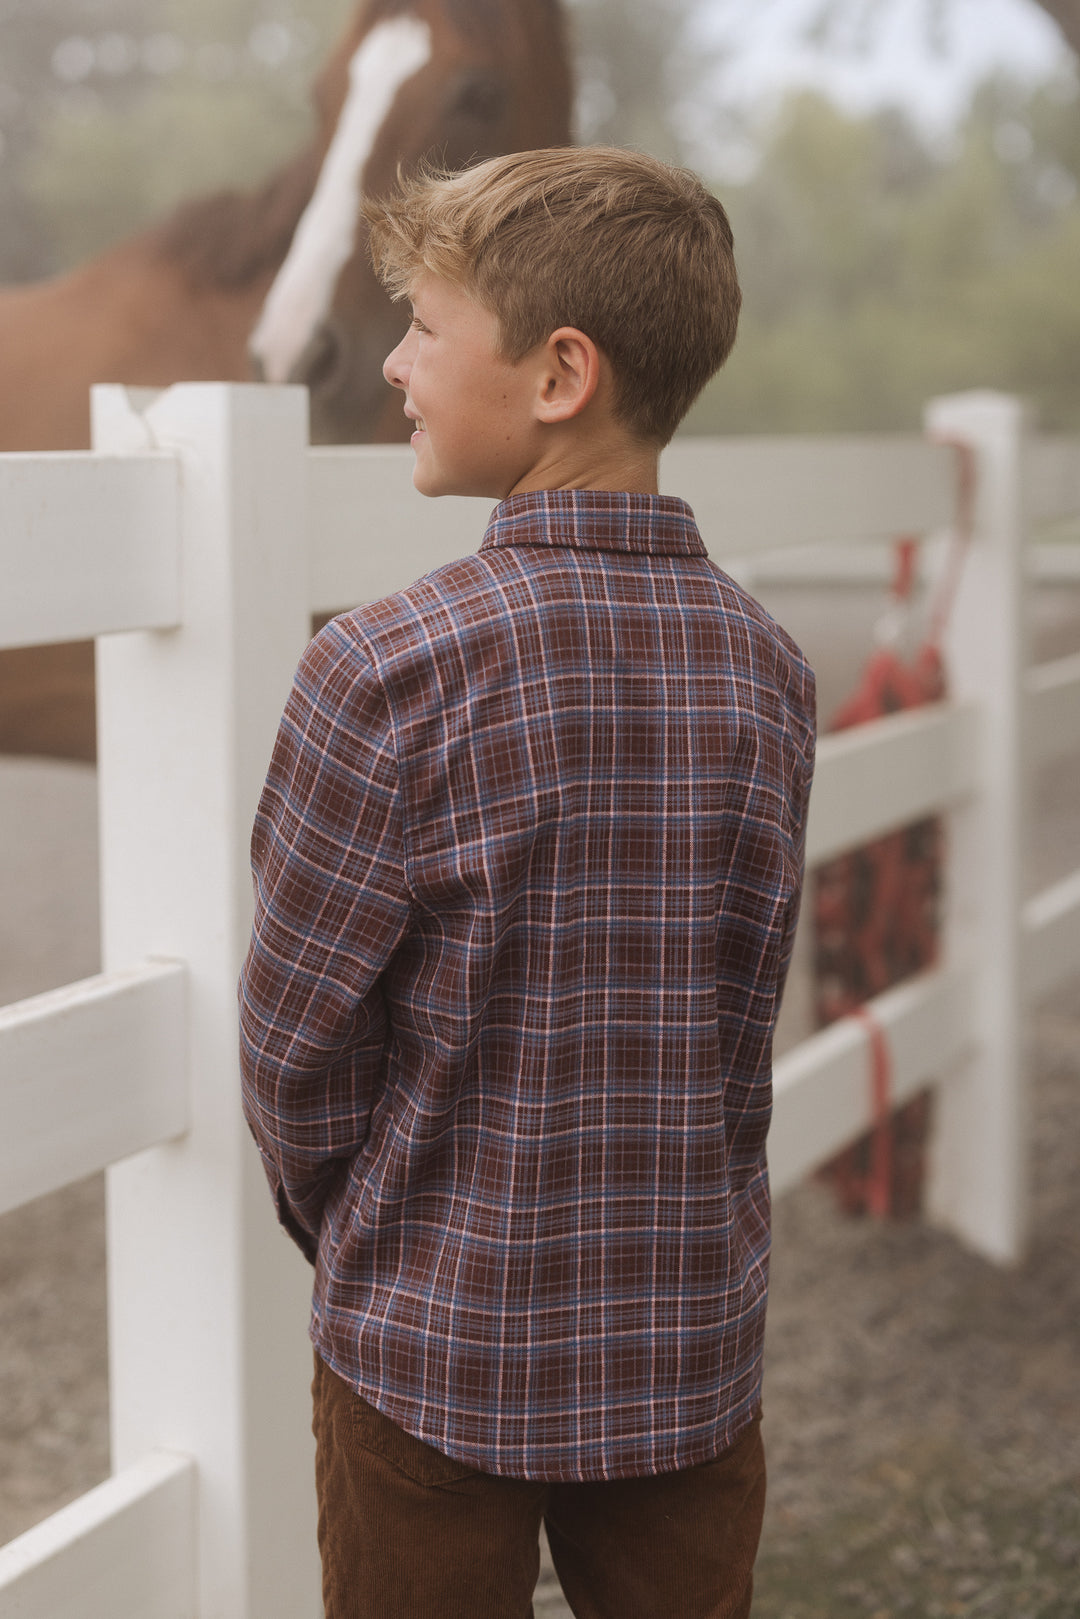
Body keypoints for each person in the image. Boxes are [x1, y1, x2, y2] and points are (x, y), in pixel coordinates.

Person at [239, 145, 816, 1619]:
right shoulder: (769, 672)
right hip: (688, 1343)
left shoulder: (379, 670)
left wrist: (369, 1239)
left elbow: (297, 1051)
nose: (394, 367)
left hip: (432, 1352)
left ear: (561, 373)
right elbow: (737, 1013)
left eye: (425, 326)